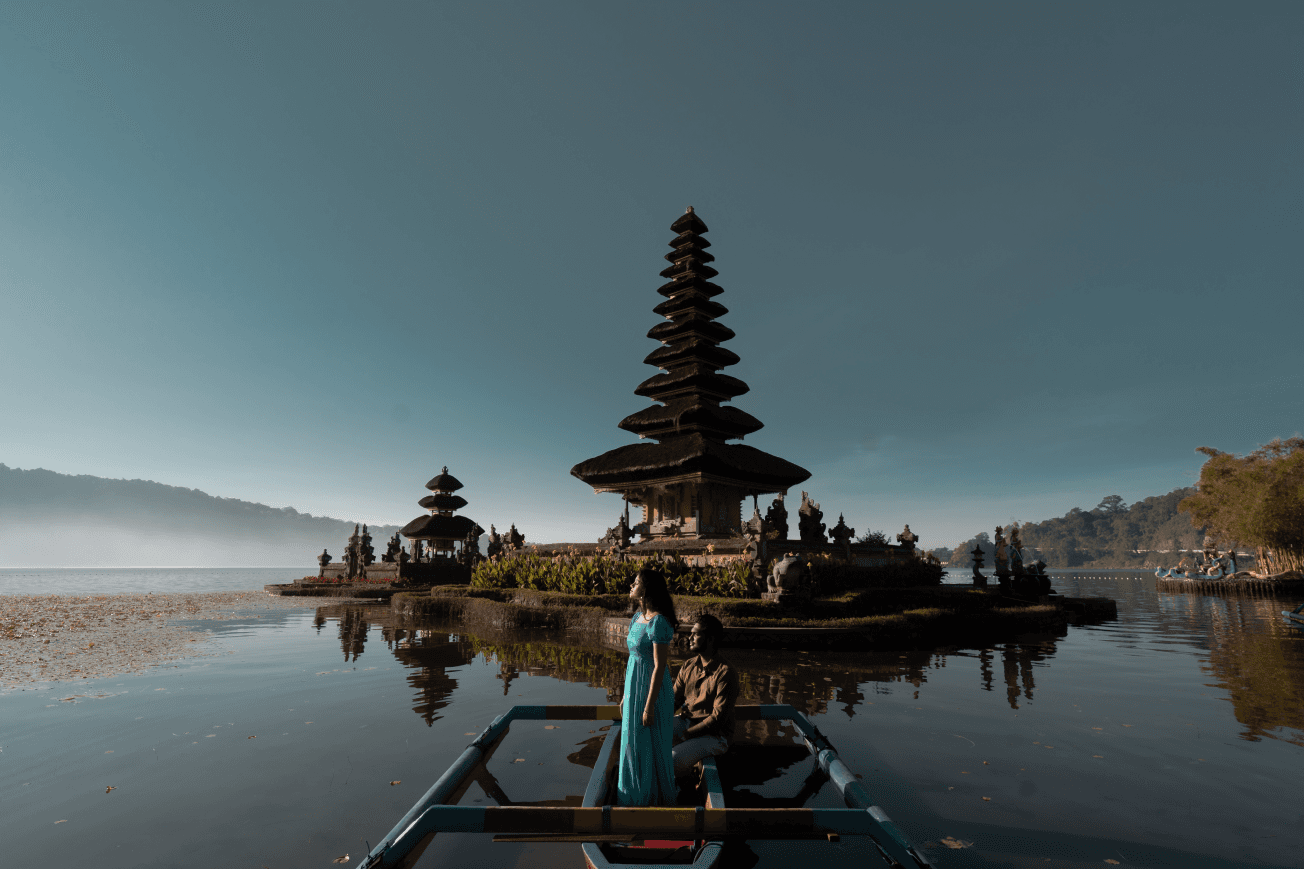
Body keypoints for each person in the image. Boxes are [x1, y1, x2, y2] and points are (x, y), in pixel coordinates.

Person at [617, 567, 677, 806]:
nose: (631, 585)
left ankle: (651, 799)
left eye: (636, 582)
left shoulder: (658, 622)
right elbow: (633, 658)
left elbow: (660, 666)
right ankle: (632, 796)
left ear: (647, 589)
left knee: (649, 743)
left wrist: (649, 707)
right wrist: (625, 695)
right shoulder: (636, 618)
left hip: (652, 691)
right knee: (631, 741)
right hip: (634, 687)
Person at [671, 614, 739, 779]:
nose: (690, 638)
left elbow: (717, 719)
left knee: (673, 758)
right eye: (691, 633)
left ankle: (679, 790)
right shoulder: (689, 665)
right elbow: (673, 701)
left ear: (710, 639)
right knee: (649, 733)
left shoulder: (725, 673)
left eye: (696, 634)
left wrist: (685, 736)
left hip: (715, 736)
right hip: (688, 722)